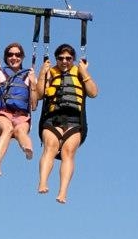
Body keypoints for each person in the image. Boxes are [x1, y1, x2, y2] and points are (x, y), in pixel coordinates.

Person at [37, 43, 97, 203]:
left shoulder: (79, 73)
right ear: (56, 59)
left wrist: (85, 72)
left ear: (73, 59)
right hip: (52, 118)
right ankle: (43, 182)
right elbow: (39, 95)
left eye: (68, 58)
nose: (64, 61)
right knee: (50, 147)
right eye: (61, 58)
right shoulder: (50, 72)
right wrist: (42, 73)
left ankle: (63, 192)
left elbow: (93, 93)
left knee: (68, 152)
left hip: (74, 120)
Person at [0, 42, 36, 176]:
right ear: (6, 57)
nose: (14, 57)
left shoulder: (28, 76)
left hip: (21, 115)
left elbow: (34, 105)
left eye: (17, 55)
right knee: (8, 129)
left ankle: (27, 149)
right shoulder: (0, 74)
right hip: (2, 113)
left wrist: (33, 83)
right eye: (10, 55)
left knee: (21, 132)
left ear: (22, 57)